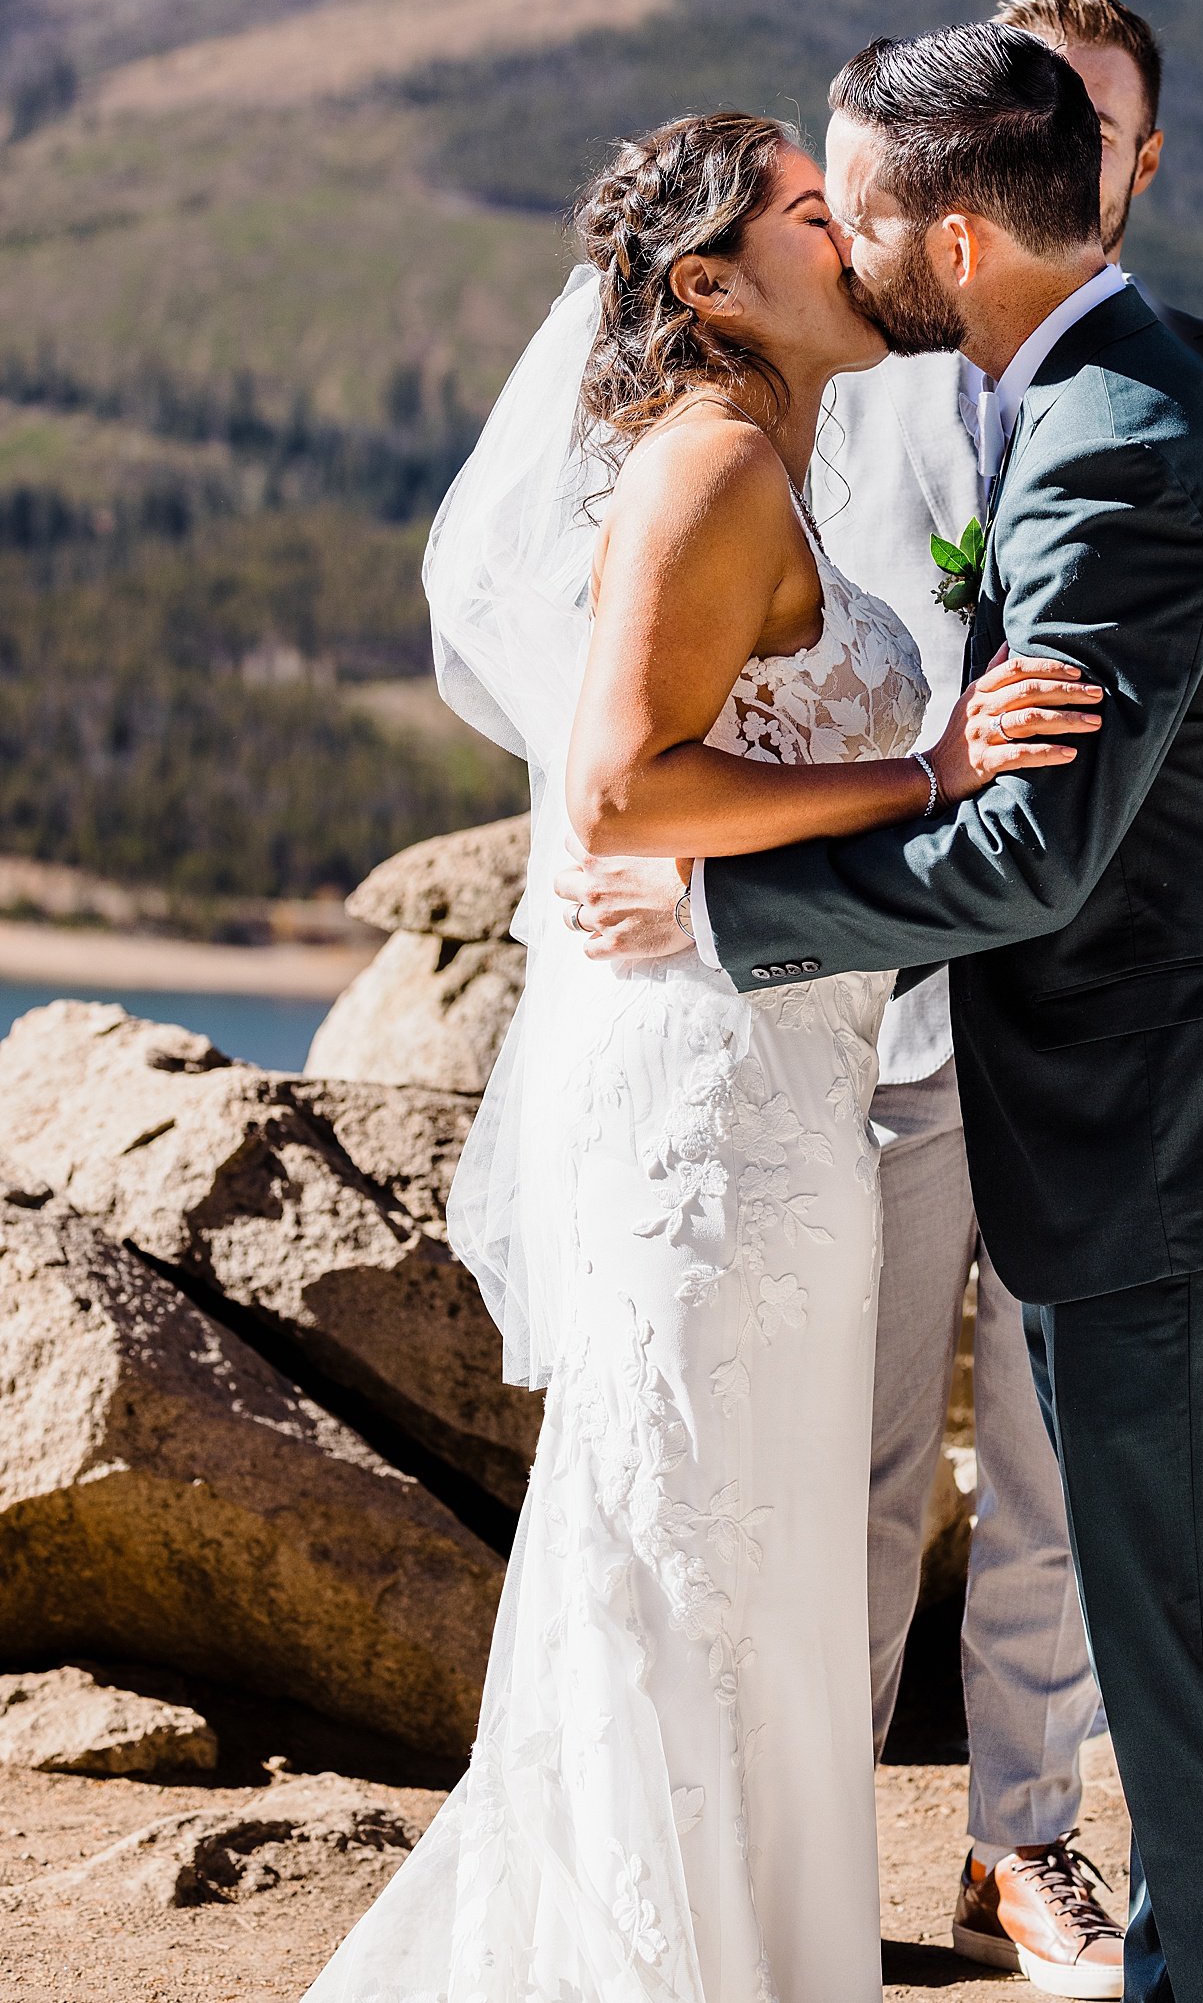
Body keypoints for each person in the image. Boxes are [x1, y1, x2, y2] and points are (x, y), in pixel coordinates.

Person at [578, 23, 1203, 2003]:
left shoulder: (1120, 451)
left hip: (1178, 1149)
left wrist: (722, 907)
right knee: (1192, 1645)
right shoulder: (1095, 398)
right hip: (1172, 1125)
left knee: (1193, 1666)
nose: (837, 254)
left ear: (950, 240)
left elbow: (1036, 861)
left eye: (851, 216)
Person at [302, 112, 1101, 2003]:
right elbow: (618, 786)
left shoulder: (779, 464)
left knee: (751, 1582)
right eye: (817, 221)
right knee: (689, 1570)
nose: (860, 245)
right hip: (713, 1127)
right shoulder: (716, 466)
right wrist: (927, 771)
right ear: (711, 286)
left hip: (793, 1107)